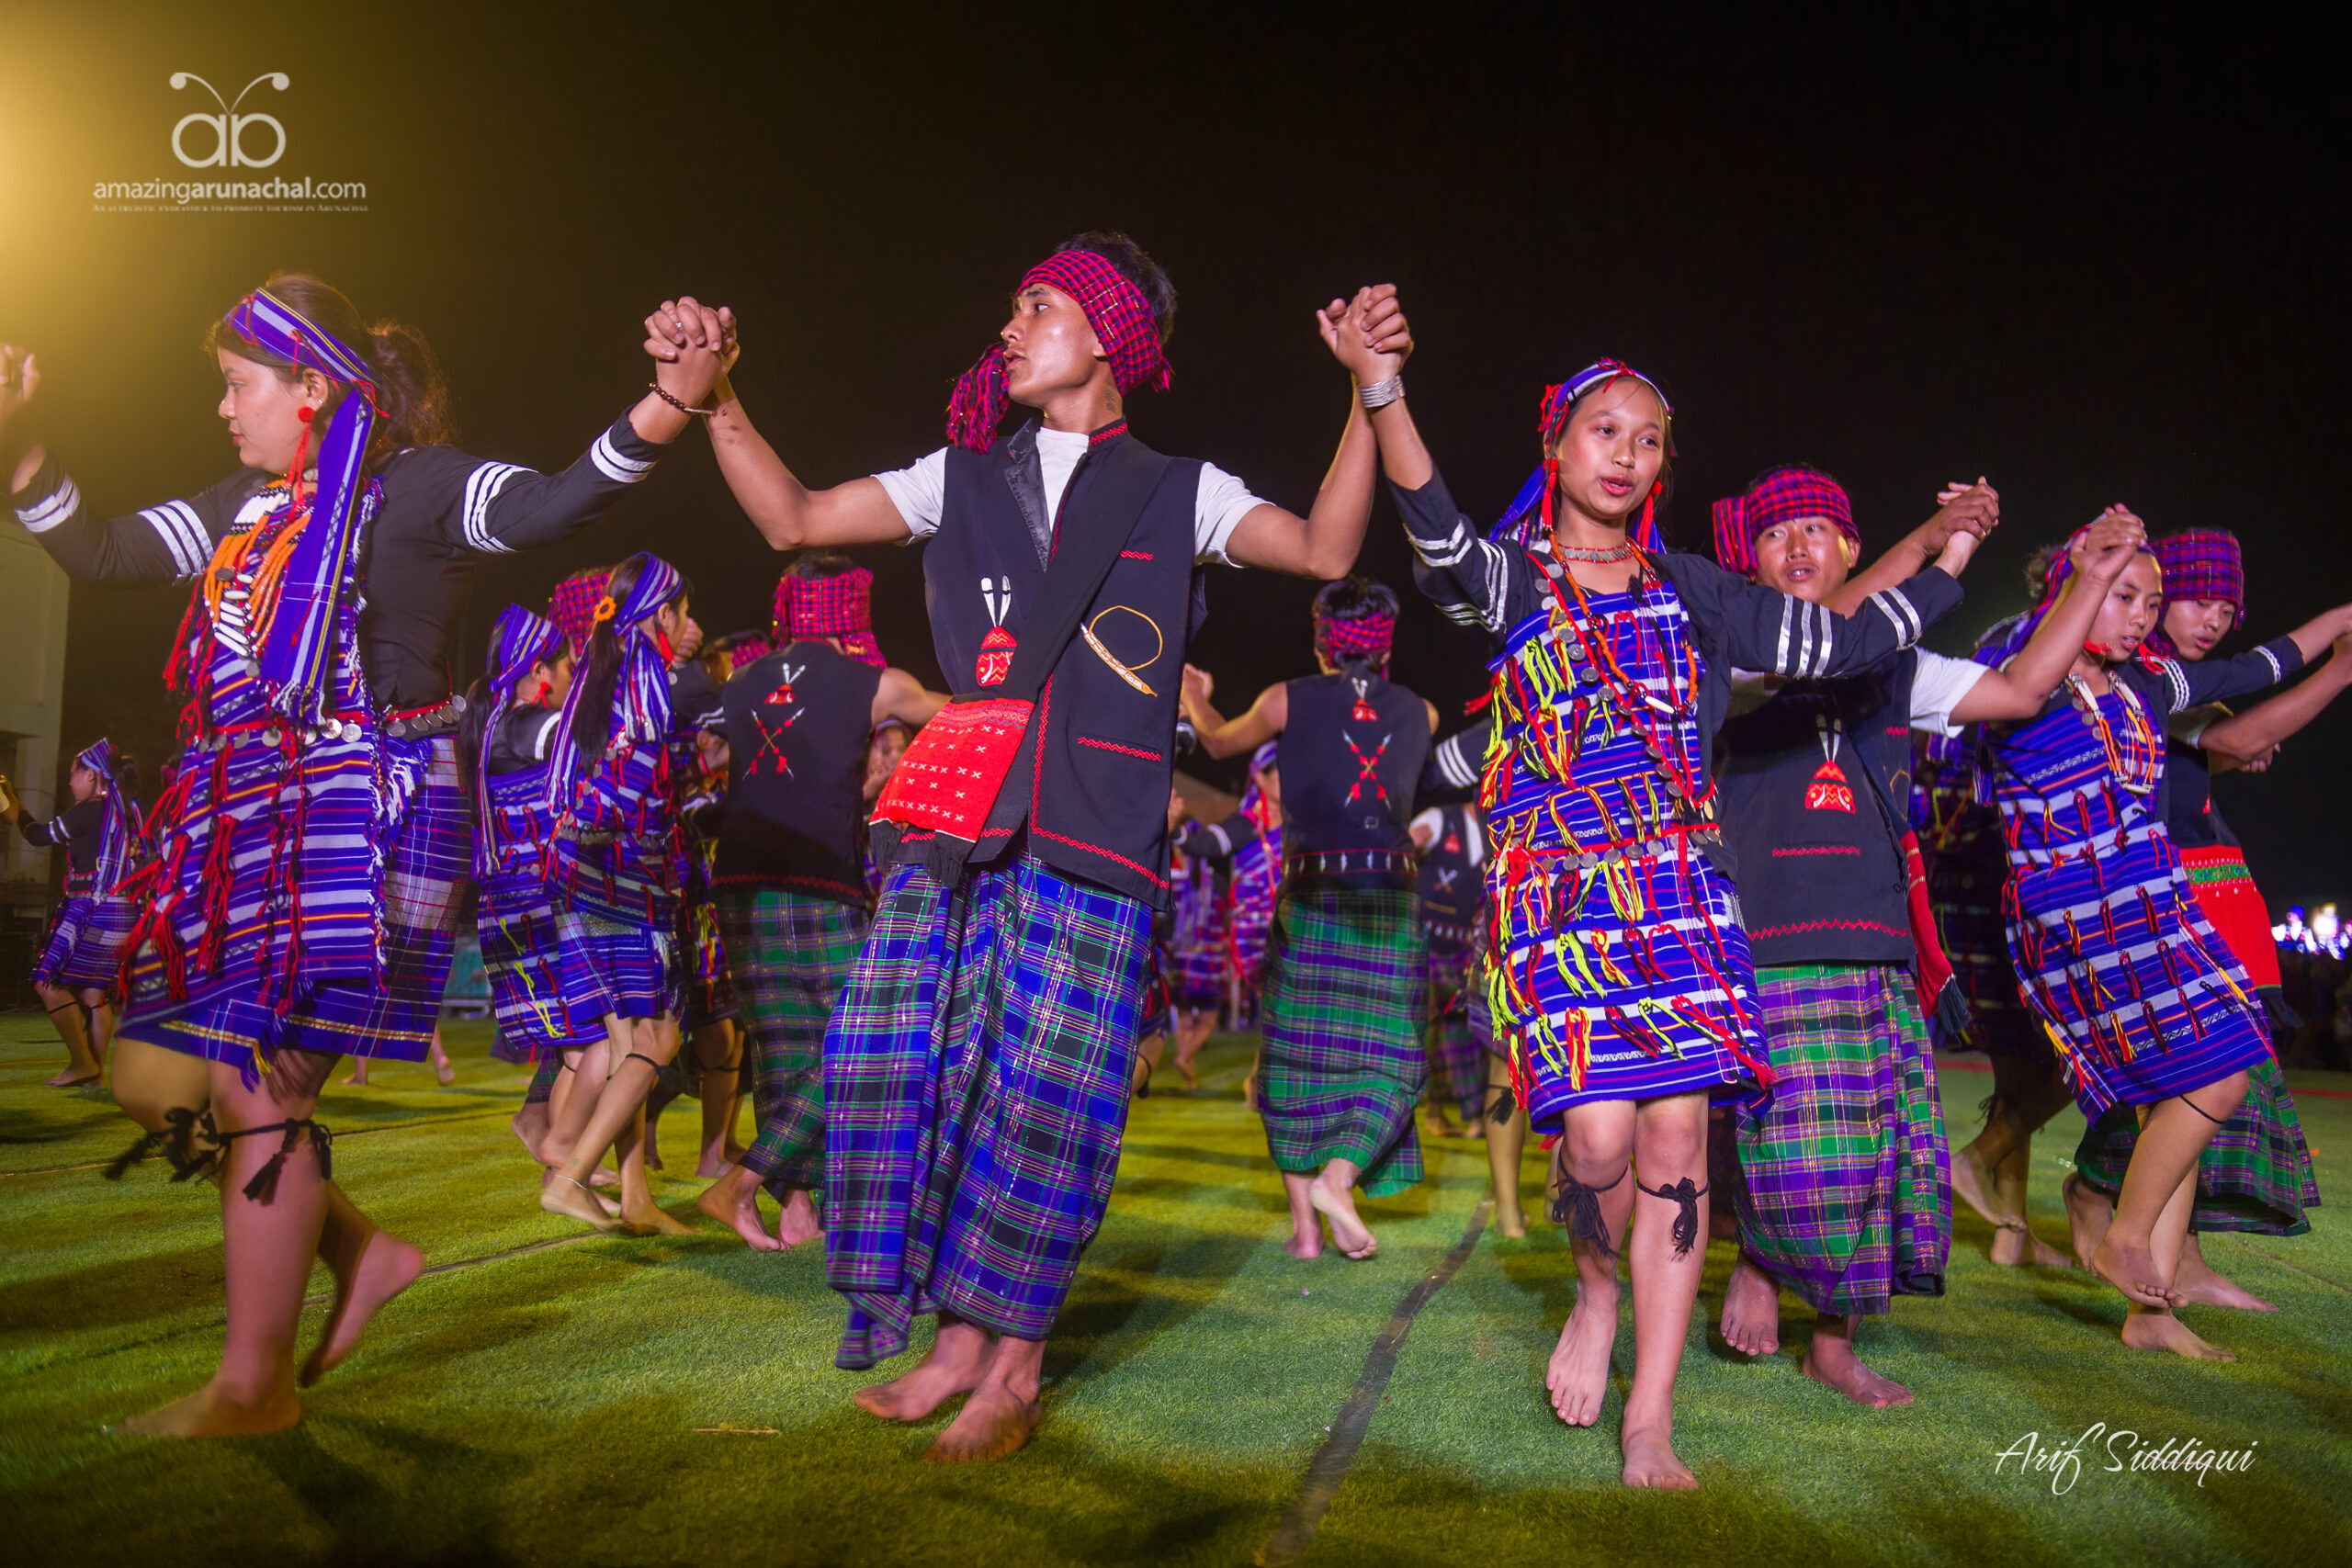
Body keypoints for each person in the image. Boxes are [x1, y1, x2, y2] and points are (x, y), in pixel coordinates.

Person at [665, 233, 1403, 1461]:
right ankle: (953, 1339)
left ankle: (1014, 1362)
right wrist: (719, 397)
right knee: (927, 1074)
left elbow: (1327, 551)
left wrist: (1366, 391)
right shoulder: (958, 479)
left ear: (1107, 334)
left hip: (1096, 834)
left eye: (1038, 306)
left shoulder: (1181, 491)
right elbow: (796, 517)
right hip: (959, 826)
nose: (1007, 330)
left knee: (1046, 1103)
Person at [0, 275, 716, 1436]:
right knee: (149, 1077)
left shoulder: (417, 488)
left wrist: (666, 406)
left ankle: (254, 1385)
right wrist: (21, 444)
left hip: (376, 808)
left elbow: (545, 508)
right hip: (249, 810)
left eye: (239, 387)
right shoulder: (242, 500)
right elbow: (104, 552)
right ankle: (358, 1248)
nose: (224, 411)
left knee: (263, 1088)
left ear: (313, 386)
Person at [1362, 355, 1970, 1488]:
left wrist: (1951, 559)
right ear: (1557, 447)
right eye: (1603, 430)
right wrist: (1381, 389)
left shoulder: (1691, 586)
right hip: (1558, 898)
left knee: (1680, 1141)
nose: (1627, 454)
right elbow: (1436, 536)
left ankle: (1652, 1414)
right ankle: (1594, 1296)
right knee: (1596, 1140)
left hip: (1682, 888)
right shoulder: (1518, 580)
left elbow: (1829, 643)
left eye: (1646, 438)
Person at [1709, 467, 2142, 1406]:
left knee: (1866, 1157)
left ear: (1850, 550)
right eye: (1777, 535)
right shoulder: (1731, 653)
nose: (1797, 550)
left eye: (1819, 531)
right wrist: (1942, 543)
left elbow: (2025, 688)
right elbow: (1821, 647)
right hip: (1763, 939)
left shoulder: (1896, 669)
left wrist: (2089, 581)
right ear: (1750, 561)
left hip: (1875, 939)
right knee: (1777, 1139)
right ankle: (1756, 1257)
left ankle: (1831, 1341)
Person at [1974, 525, 2352, 1359]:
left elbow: (2259, 667)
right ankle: (2124, 1237)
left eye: (2152, 598)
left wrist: (2341, 621)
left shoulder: (2147, 682)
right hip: (2080, 911)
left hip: (2154, 902)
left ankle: (2145, 1285)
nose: (2144, 614)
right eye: (2122, 593)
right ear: (2071, 586)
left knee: (2217, 1069)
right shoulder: (2019, 660)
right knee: (2213, 1071)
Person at [1182, 576, 1440, 1260]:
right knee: (1395, 1056)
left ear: (1324, 641)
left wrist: (1194, 697)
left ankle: (1308, 1226)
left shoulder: (1283, 700)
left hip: (1316, 895)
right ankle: (1338, 1180)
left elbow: (1213, 743)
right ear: (1385, 645)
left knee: (1295, 1063)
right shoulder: (1423, 710)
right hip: (1390, 899)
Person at [695, 555, 944, 1251]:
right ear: (849, 614)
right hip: (820, 883)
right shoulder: (876, 683)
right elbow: (961, 715)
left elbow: (711, 756)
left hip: (739, 886)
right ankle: (741, 1184)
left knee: (784, 1048)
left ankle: (797, 1209)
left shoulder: (740, 679)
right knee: (860, 1042)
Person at [537, 552, 698, 1235]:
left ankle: (633, 1196)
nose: (689, 622)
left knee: (630, 1039)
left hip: (580, 873)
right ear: (664, 612)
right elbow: (631, 764)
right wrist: (617, 823)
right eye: (685, 610)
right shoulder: (646, 671)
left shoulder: (601, 669)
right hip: (621, 875)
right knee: (657, 1038)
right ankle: (572, 1174)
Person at [462, 604, 613, 1202]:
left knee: (579, 1048)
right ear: (539, 672)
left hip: (516, 907)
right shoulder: (526, 725)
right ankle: (561, 1147)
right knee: (603, 1039)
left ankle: (561, 1169)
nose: (576, 674)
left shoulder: (498, 726)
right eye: (569, 664)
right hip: (537, 909)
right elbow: (583, 740)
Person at [2, 741, 144, 1086]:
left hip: (93, 906)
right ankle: (93, 1074)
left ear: (92, 776)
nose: (69, 782)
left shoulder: (90, 810)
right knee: (95, 993)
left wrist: (14, 807)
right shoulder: (127, 810)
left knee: (45, 982)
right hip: (125, 910)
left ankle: (82, 1063)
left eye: (73, 774)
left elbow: (37, 837)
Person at [1411, 796, 1487, 1136]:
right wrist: (1408, 845)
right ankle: (1434, 1112)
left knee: (1470, 1029)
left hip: (1468, 947)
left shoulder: (1499, 826)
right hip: (1426, 943)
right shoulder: (1439, 818)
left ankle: (1475, 1115)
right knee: (1429, 1031)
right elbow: (1401, 851)